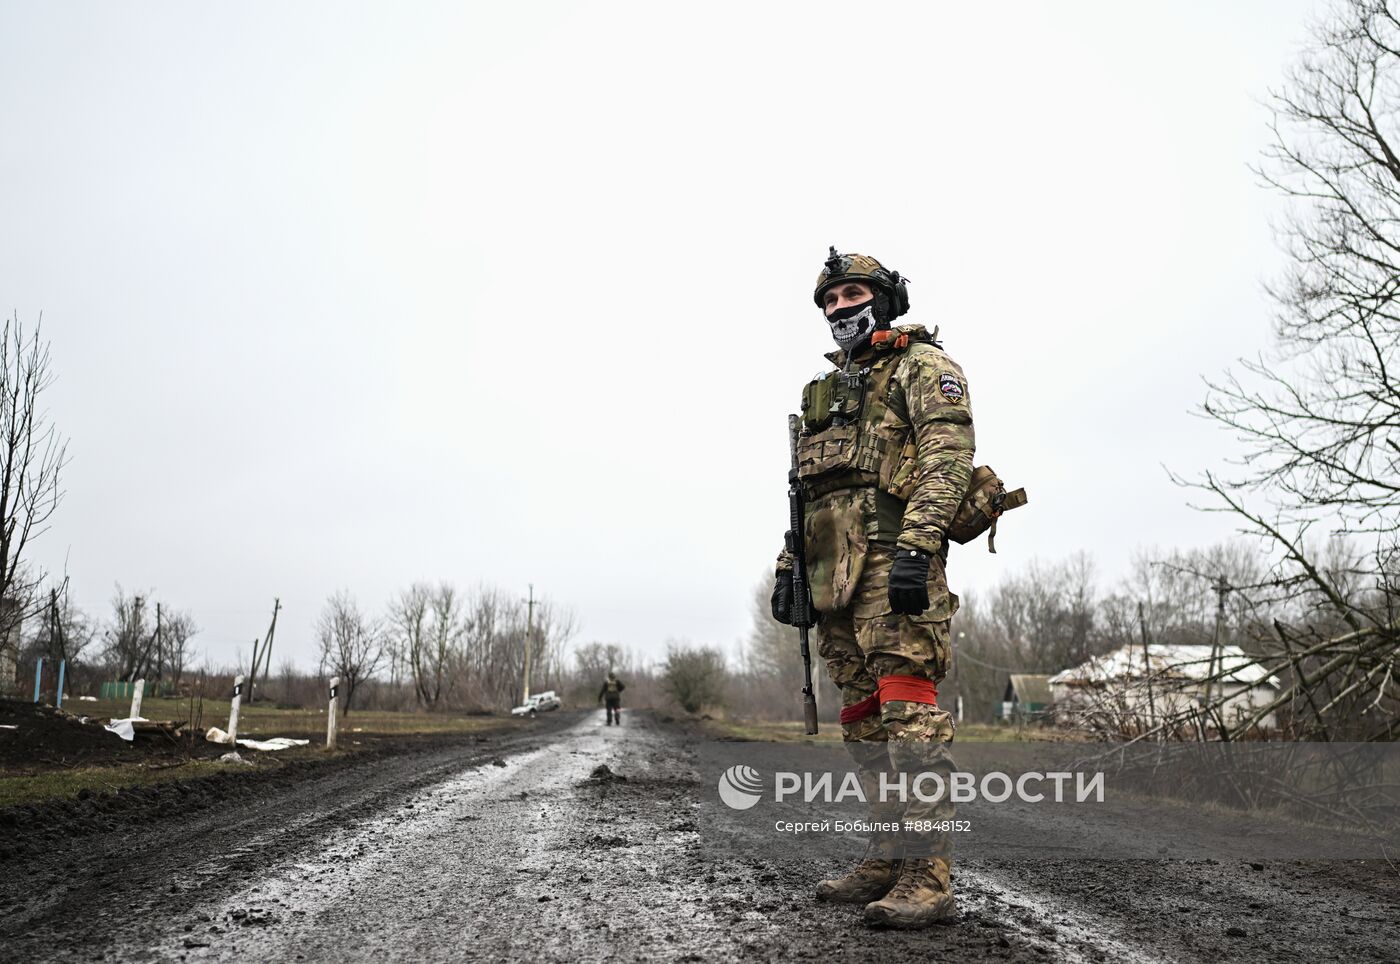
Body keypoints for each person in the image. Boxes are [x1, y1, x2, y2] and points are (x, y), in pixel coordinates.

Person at [771, 247, 973, 928]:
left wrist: (918, 547)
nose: (839, 309)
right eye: (829, 301)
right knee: (862, 721)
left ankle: (929, 874)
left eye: (851, 294)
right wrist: (788, 565)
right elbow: (809, 493)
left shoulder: (923, 367)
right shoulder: (820, 396)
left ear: (883, 299)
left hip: (894, 562)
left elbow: (948, 458)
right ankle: (888, 856)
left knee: (909, 715)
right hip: (833, 578)